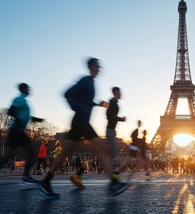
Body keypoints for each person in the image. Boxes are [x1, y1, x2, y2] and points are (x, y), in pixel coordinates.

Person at [38, 57, 129, 199]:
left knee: (63, 155)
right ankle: (113, 183)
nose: (99, 69)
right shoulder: (86, 80)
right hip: (81, 121)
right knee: (103, 149)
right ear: (91, 66)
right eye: (97, 66)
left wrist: (97, 104)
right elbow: (67, 94)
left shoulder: (91, 82)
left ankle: (45, 182)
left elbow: (84, 101)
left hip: (80, 121)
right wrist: (78, 108)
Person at [0, 83, 43, 185]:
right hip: (17, 130)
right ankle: (26, 176)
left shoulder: (23, 101)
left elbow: (25, 116)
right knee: (31, 149)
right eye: (28, 89)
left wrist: (36, 119)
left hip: (16, 130)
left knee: (9, 154)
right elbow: (11, 111)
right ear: (23, 89)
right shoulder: (19, 99)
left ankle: (26, 176)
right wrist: (19, 120)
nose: (29, 91)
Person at [106, 86, 126, 175]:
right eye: (119, 92)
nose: (121, 94)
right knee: (113, 151)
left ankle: (111, 172)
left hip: (111, 130)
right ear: (115, 93)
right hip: (110, 130)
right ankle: (111, 174)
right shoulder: (113, 102)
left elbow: (109, 114)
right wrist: (121, 119)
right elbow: (109, 115)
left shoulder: (114, 102)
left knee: (113, 150)